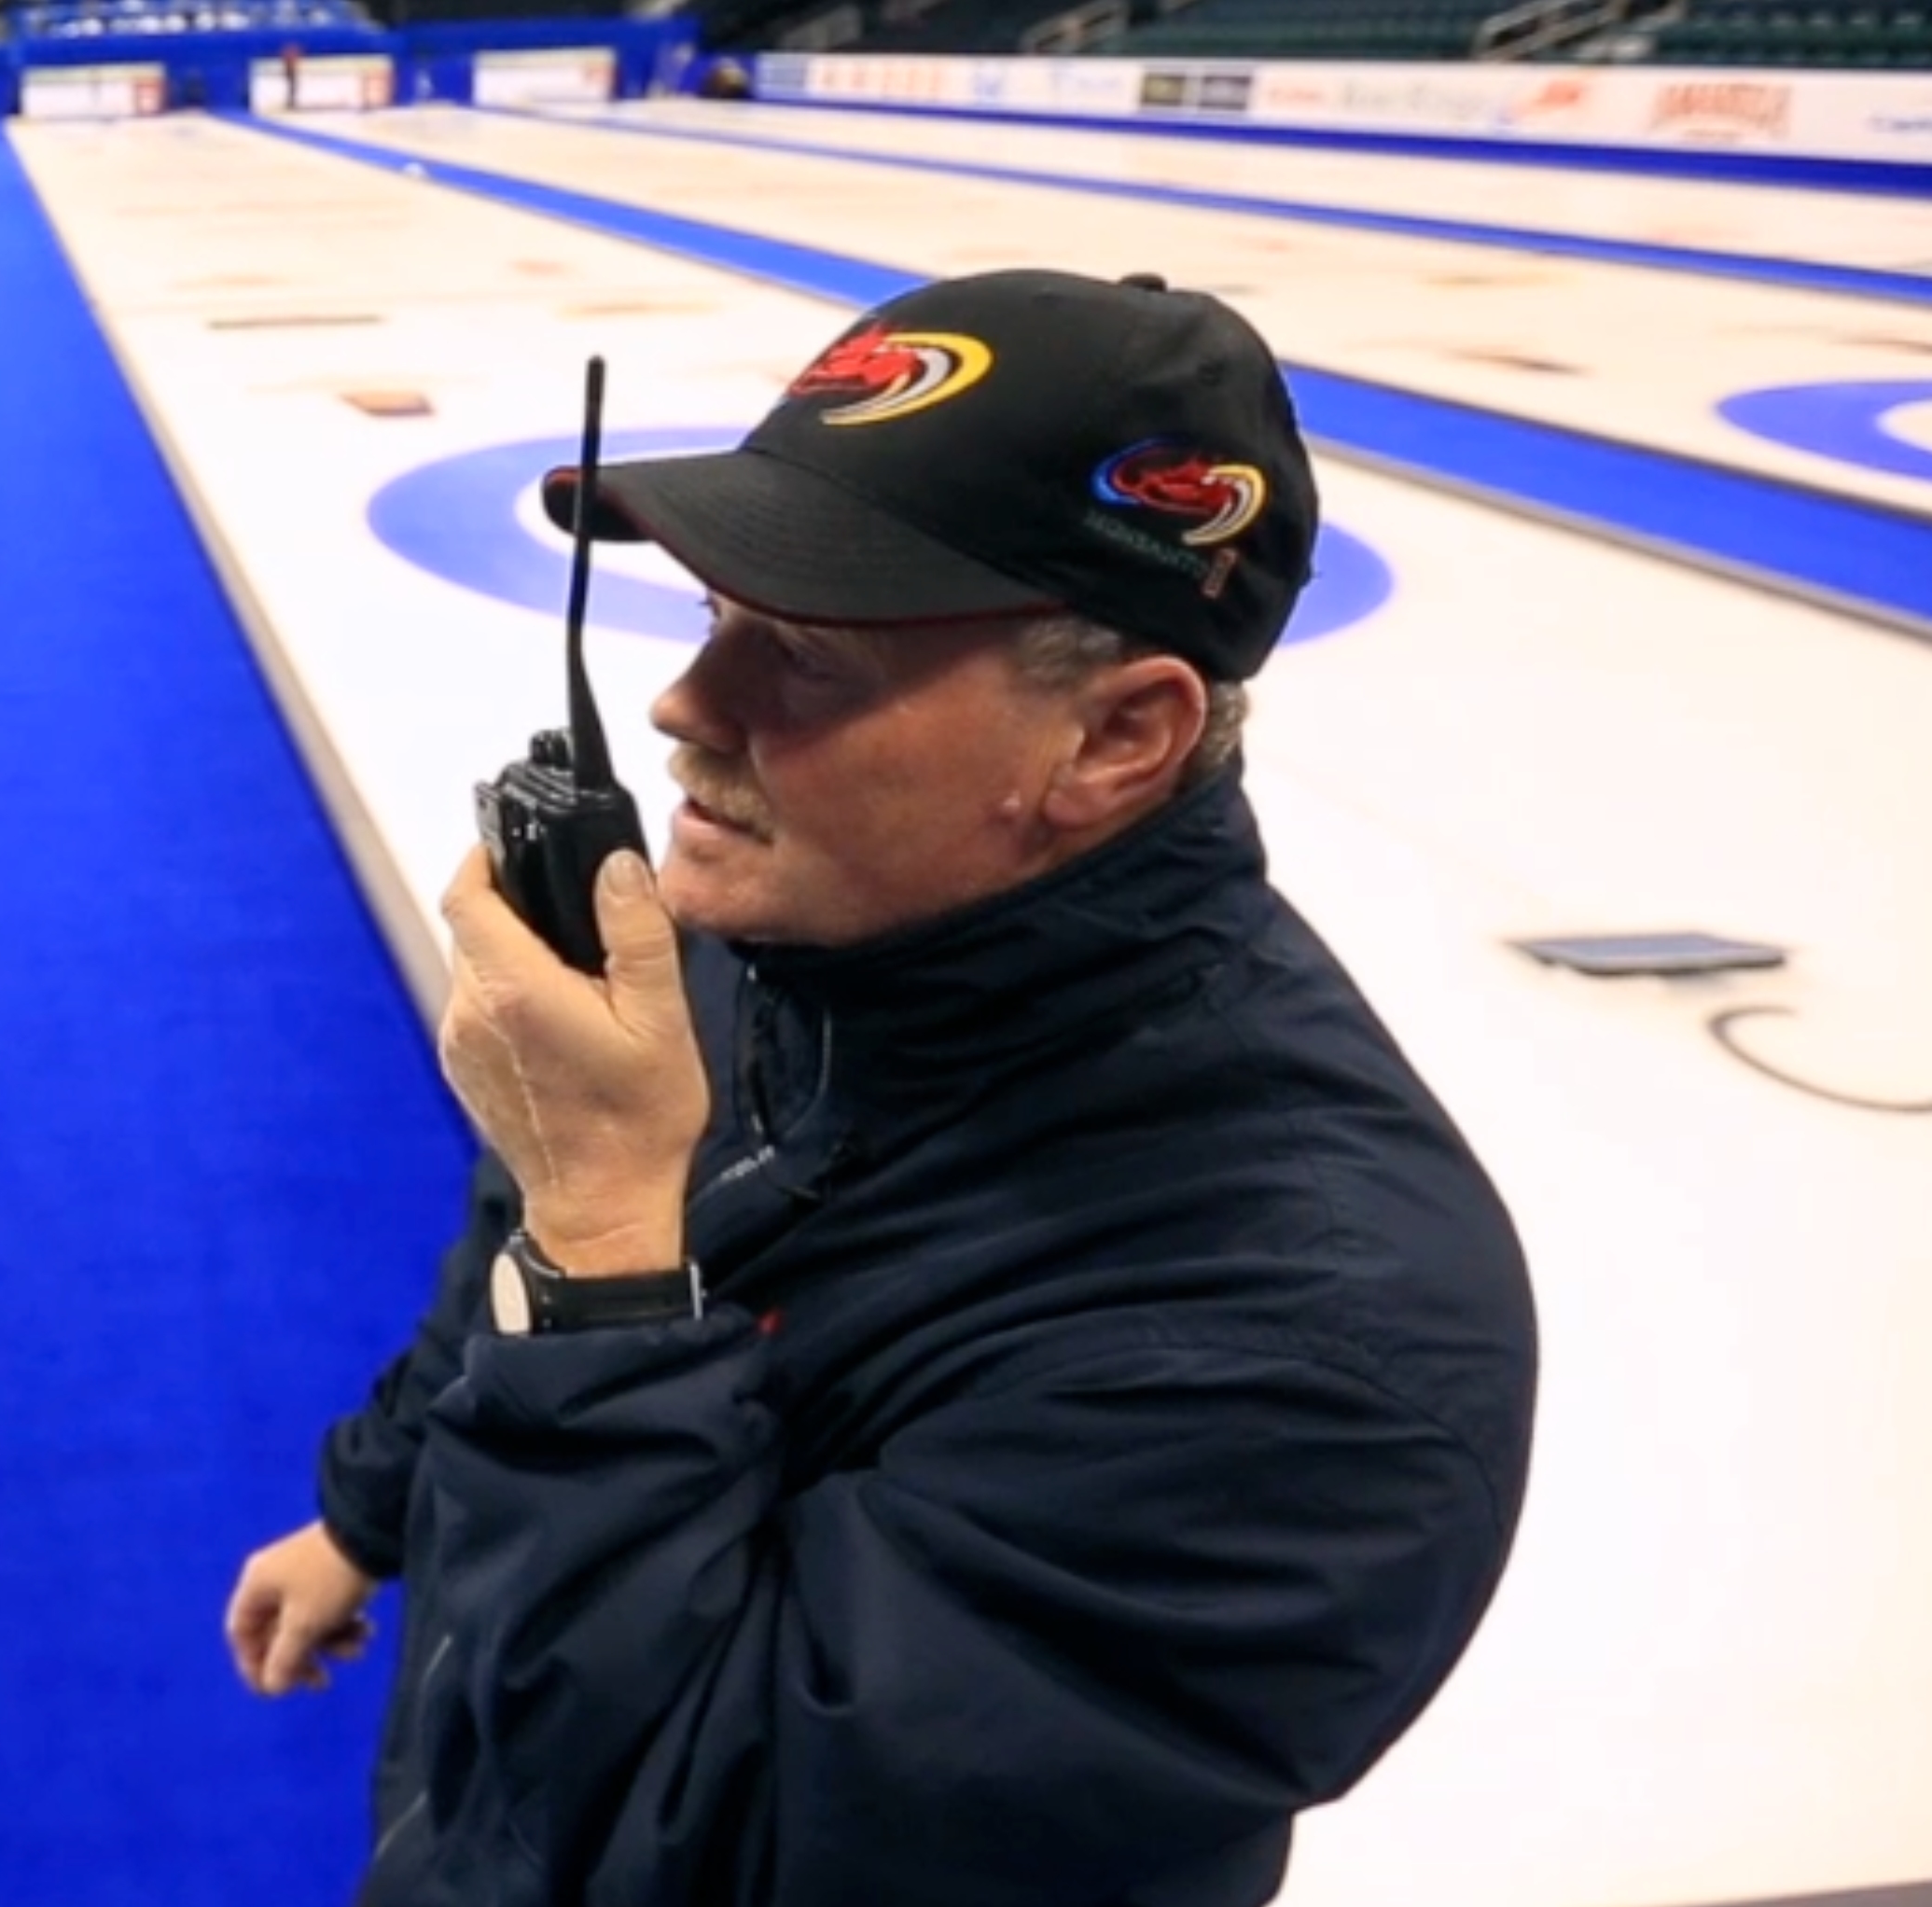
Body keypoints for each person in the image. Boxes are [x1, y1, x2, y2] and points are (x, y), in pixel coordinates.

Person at [223, 269, 1540, 1905]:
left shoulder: (1311, 1347)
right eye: (712, 618)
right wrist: (373, 1503)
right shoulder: (789, 917)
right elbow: (515, 1235)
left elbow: (718, 1850)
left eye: (808, 656)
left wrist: (606, 1242)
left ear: (1115, 738)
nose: (682, 706)